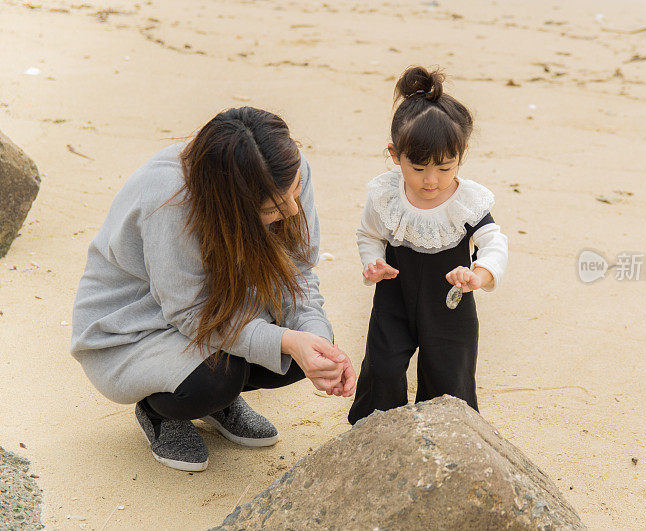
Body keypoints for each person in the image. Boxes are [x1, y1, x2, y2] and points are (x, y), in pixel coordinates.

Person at [71, 107, 355, 472]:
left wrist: (315, 339)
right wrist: (285, 341)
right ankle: (160, 410)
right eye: (271, 208)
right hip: (135, 325)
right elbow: (190, 312)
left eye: (296, 190)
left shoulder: (285, 171)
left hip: (221, 304)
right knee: (219, 377)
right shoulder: (168, 197)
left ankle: (219, 401)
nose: (291, 209)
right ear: (229, 202)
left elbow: (297, 273)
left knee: (305, 349)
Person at [348, 66, 509, 425]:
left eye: (445, 167)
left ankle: (449, 432)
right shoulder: (386, 196)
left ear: (461, 154)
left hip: (450, 301)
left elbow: (493, 243)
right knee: (384, 365)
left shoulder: (467, 202)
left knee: (450, 373)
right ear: (395, 154)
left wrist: (478, 275)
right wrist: (373, 262)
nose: (431, 181)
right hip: (394, 297)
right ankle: (376, 428)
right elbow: (369, 234)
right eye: (418, 168)